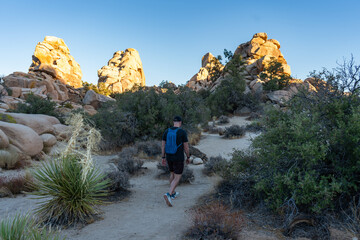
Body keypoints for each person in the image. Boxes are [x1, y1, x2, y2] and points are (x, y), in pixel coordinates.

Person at [161, 116, 190, 207]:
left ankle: (173, 193)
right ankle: (168, 194)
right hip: (178, 157)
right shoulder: (182, 132)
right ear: (180, 122)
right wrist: (188, 156)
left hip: (169, 156)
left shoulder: (167, 131)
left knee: (172, 174)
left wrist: (163, 157)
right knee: (177, 177)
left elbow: (163, 146)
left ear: (173, 122)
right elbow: (186, 147)